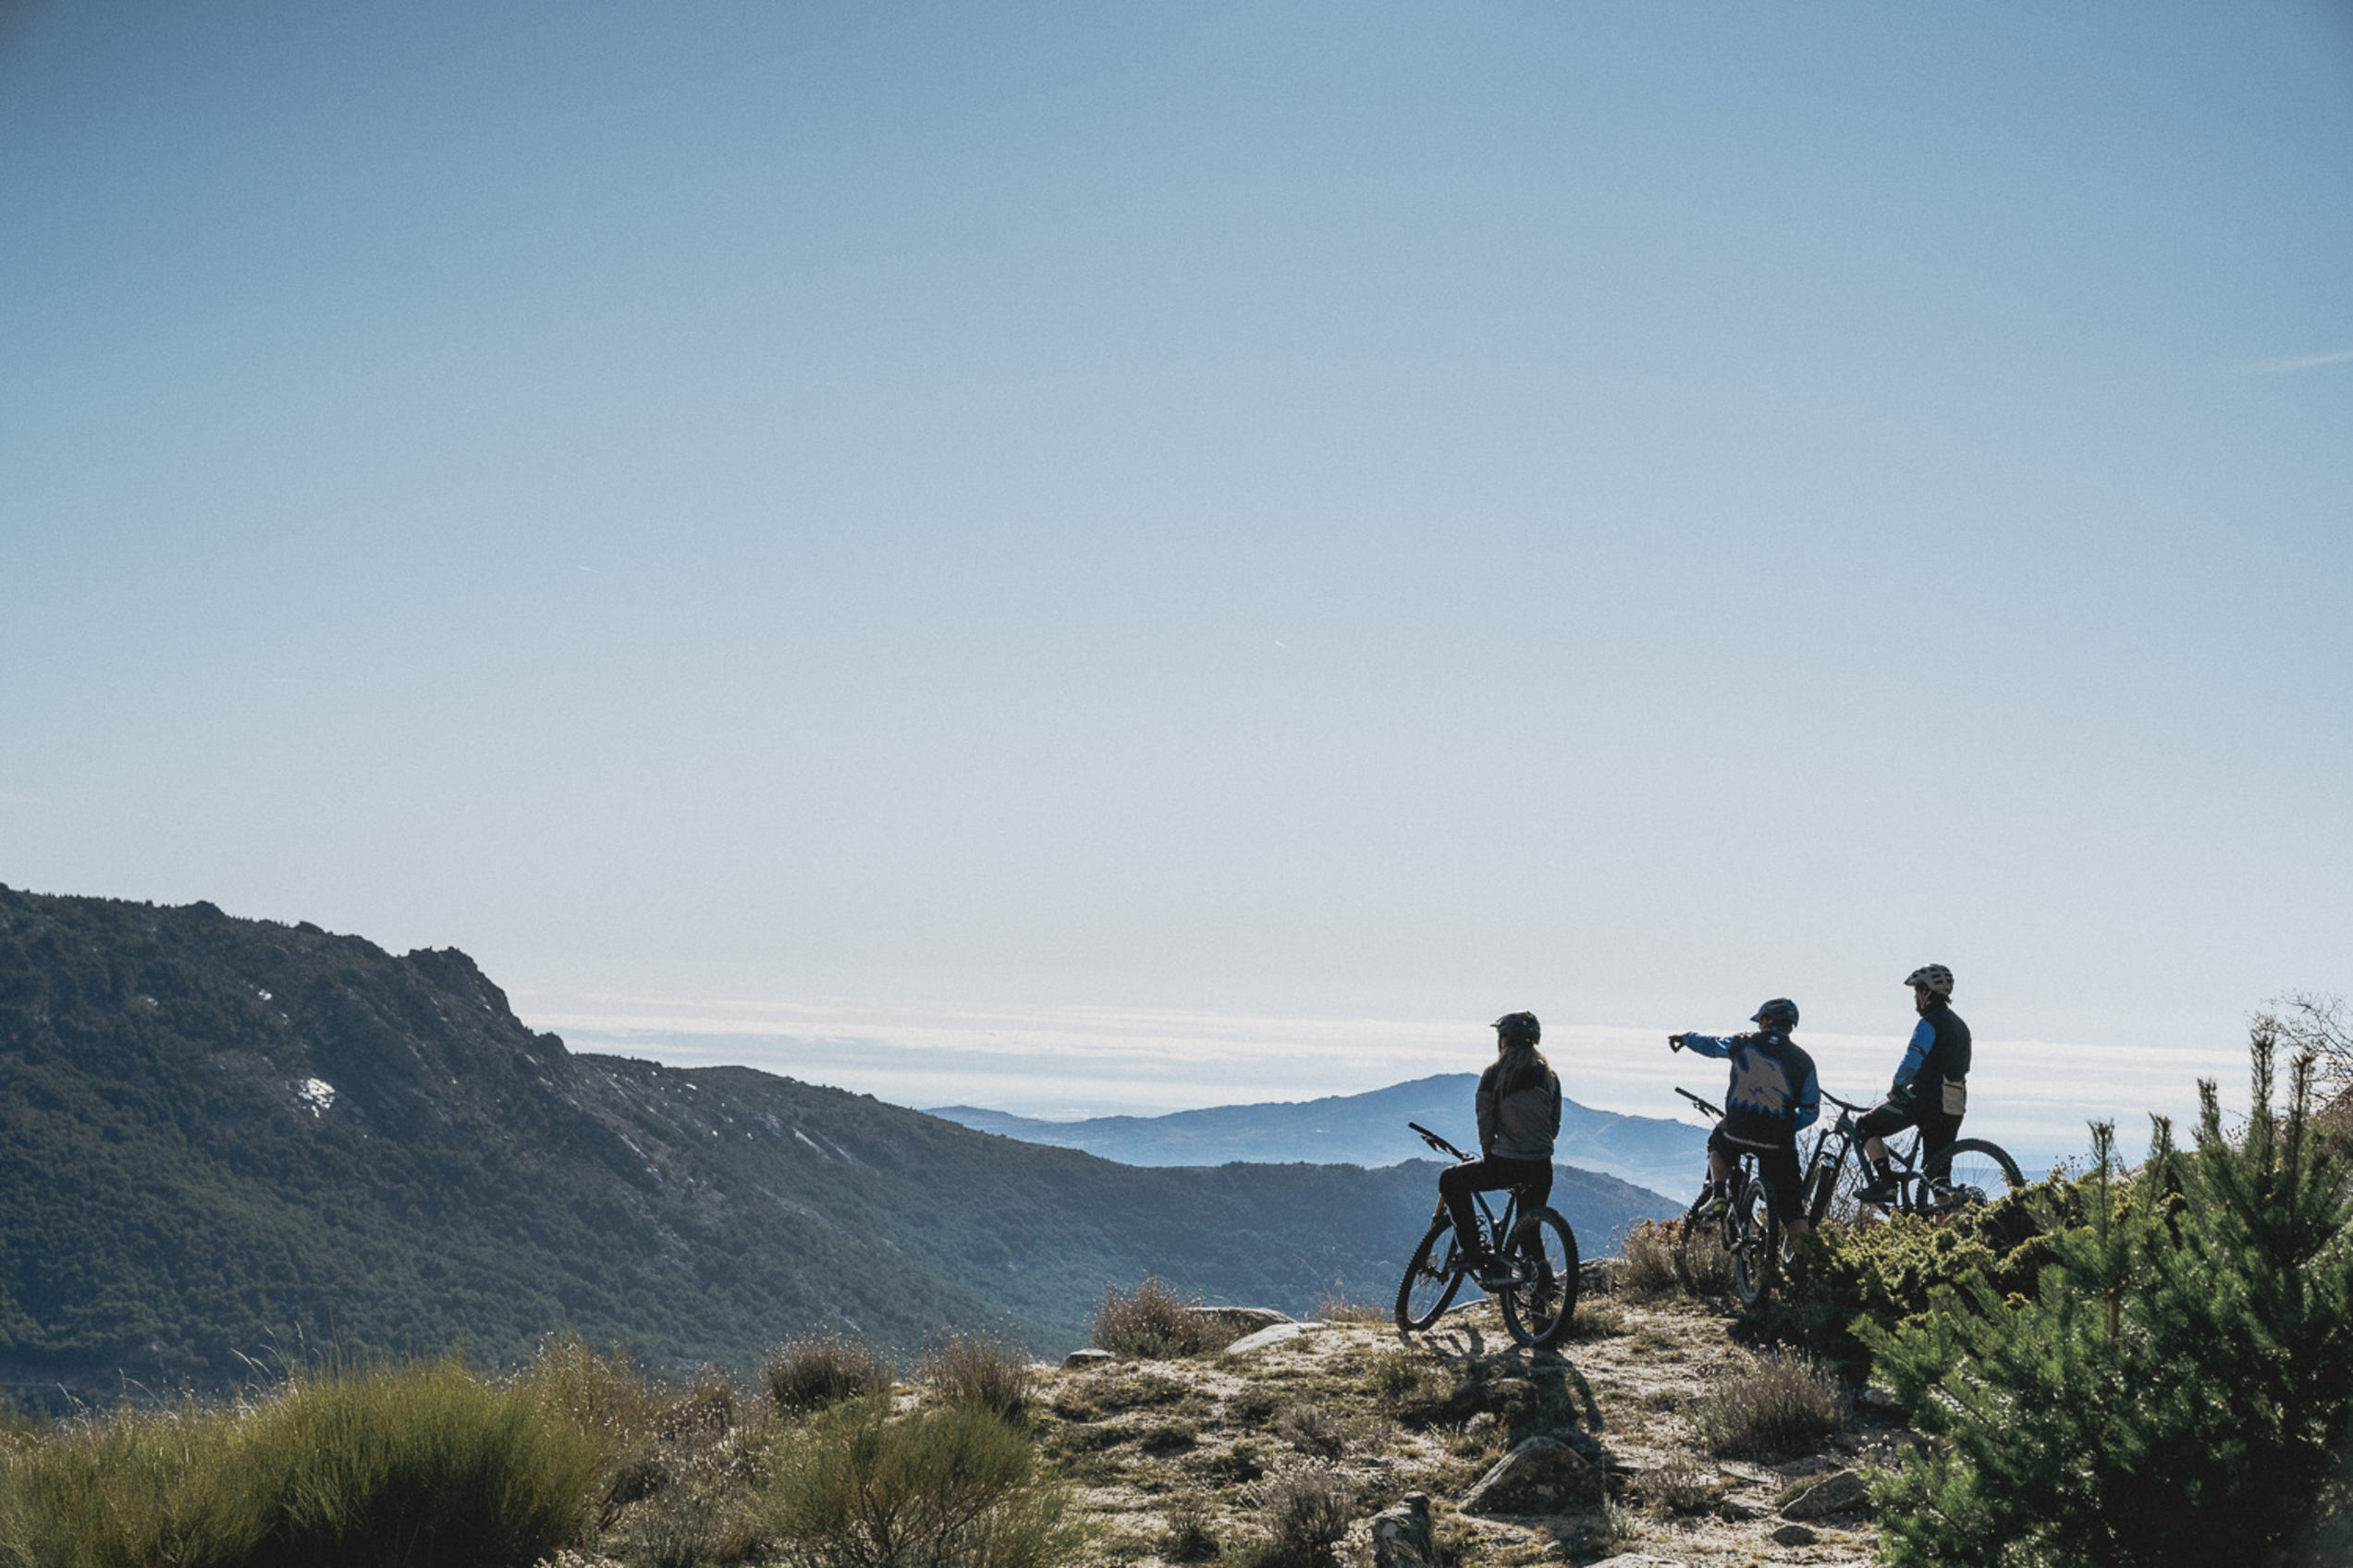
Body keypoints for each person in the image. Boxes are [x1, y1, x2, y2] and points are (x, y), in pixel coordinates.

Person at [1669, 998, 1820, 1238]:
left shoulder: (1743, 1042)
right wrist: (1784, 1127)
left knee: (1716, 1142)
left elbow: (1711, 1045)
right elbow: (1811, 1111)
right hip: (1778, 1142)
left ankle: (1719, 1194)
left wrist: (1686, 1038)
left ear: (1767, 1020)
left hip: (1737, 1131)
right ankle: (1808, 1260)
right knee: (1793, 1212)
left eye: (1761, 1020)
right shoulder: (1804, 1061)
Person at [1439, 1011, 1562, 1286]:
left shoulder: (1494, 1074)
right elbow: (1553, 1125)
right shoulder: (1549, 1076)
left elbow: (1485, 1120)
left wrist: (1490, 1155)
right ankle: (1543, 1298)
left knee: (1450, 1180)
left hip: (1505, 1163)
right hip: (1541, 1166)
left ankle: (1472, 1252)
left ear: (1503, 1039)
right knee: (1528, 1231)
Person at [1854, 964, 1971, 1206]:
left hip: (1928, 1099)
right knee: (1937, 1177)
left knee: (1865, 1125)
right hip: (1955, 1101)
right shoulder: (1961, 1025)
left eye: (1917, 991)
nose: (1915, 998)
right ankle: (1945, 1226)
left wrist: (1897, 1086)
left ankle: (1886, 1183)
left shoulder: (1929, 1022)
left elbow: (1913, 1059)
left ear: (1926, 992)